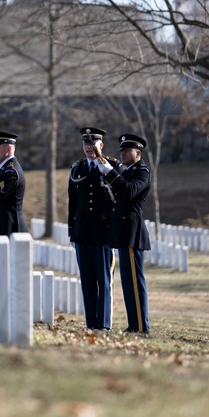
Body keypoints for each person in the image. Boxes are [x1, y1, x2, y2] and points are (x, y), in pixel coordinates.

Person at [98, 133, 152, 334]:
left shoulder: (142, 172)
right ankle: (134, 324)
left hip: (132, 231)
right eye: (121, 151)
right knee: (128, 283)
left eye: (127, 151)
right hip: (122, 231)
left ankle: (140, 326)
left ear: (138, 153)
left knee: (135, 283)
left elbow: (129, 190)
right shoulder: (125, 170)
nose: (122, 154)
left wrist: (111, 173)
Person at [68, 127, 115, 330]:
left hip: (103, 231)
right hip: (82, 232)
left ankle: (104, 323)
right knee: (87, 280)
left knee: (103, 279)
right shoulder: (77, 169)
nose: (89, 147)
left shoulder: (112, 166)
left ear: (101, 145)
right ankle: (91, 323)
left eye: (93, 143)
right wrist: (72, 229)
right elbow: (73, 202)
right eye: (86, 143)